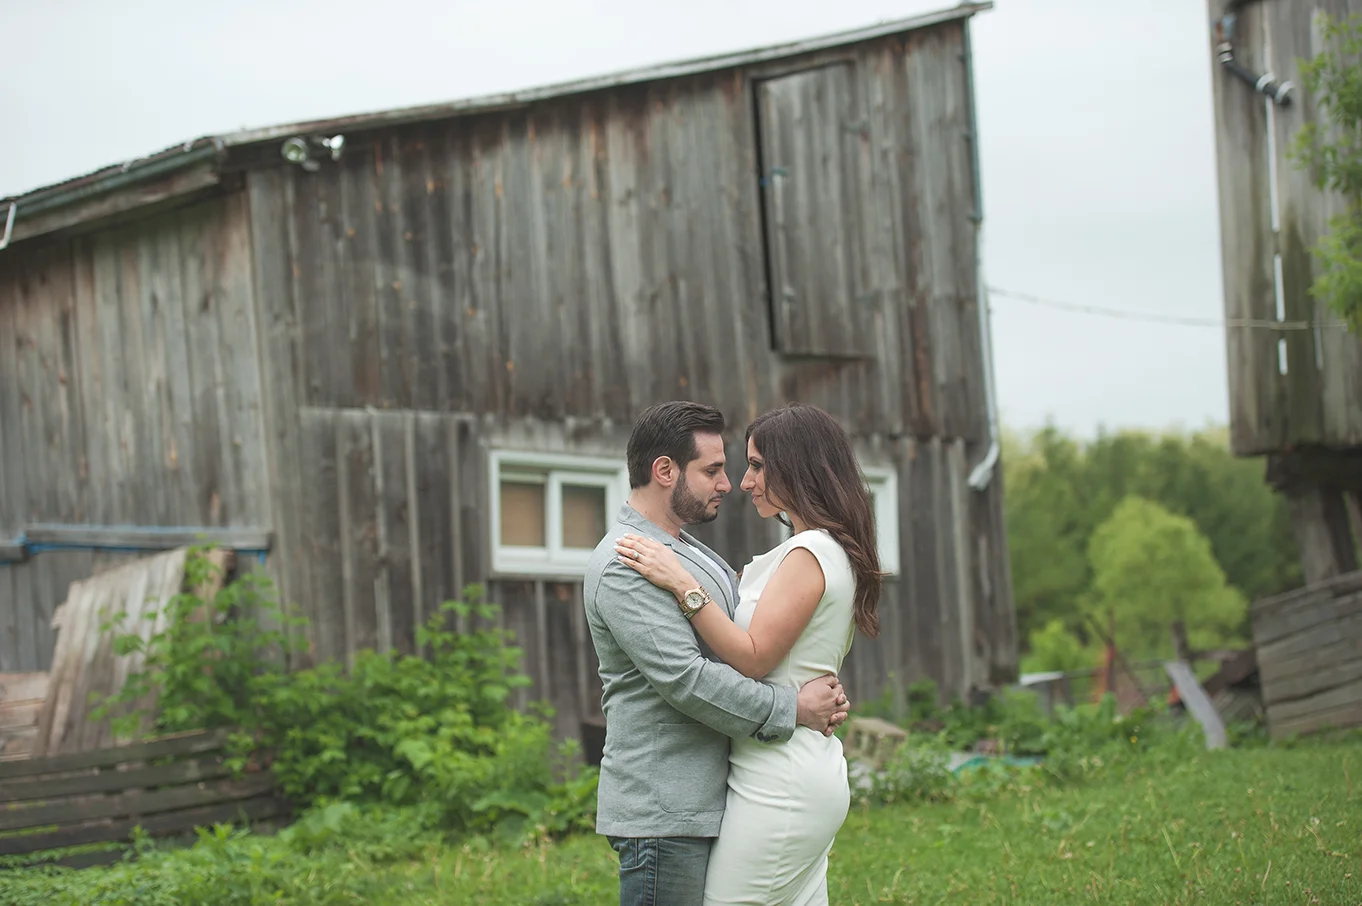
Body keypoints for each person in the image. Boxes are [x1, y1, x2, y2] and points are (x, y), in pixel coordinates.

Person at [583, 401, 853, 906]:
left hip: (717, 798)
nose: (729, 484)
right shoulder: (627, 563)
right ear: (665, 471)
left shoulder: (684, 551)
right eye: (712, 471)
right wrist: (794, 707)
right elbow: (687, 680)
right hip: (665, 810)